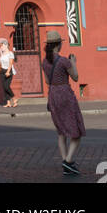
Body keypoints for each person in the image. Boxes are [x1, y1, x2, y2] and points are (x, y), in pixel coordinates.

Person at [42, 30, 85, 174]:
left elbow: (48, 81)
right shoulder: (63, 61)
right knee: (76, 131)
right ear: (59, 45)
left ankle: (67, 164)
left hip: (53, 95)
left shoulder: (45, 61)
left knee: (61, 132)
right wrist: (73, 62)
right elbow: (76, 77)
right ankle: (68, 161)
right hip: (65, 94)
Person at [0, 36, 18, 113]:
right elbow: (0, 62)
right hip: (2, 71)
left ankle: (14, 98)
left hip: (9, 71)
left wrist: (8, 72)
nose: (1, 47)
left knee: (7, 86)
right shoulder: (2, 54)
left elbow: (10, 63)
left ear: (6, 45)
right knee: (4, 87)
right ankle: (8, 103)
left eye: (2, 46)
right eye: (1, 46)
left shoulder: (10, 54)